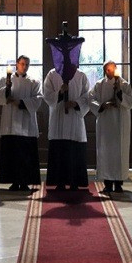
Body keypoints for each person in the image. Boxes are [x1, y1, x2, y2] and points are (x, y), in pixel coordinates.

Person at [0, 55, 42, 191]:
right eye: (22, 64)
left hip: (26, 124)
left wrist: (20, 102)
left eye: (27, 64)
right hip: (10, 123)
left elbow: (38, 99)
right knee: (12, 154)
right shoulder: (5, 80)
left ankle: (25, 181)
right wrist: (7, 90)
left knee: (26, 154)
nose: (24, 67)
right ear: (17, 64)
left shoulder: (34, 81)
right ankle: (14, 181)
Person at [43, 62, 90, 191]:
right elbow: (47, 94)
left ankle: (75, 182)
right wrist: (60, 92)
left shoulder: (81, 75)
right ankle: (60, 182)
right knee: (59, 151)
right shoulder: (52, 74)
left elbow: (87, 96)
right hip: (58, 118)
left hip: (74, 119)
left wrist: (76, 103)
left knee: (74, 152)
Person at [90, 61, 132, 193]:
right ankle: (108, 183)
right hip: (106, 123)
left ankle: (119, 183)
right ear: (105, 71)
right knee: (106, 152)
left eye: (112, 69)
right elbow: (91, 99)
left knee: (119, 152)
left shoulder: (124, 85)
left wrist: (120, 95)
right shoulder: (99, 85)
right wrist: (102, 105)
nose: (110, 72)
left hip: (120, 123)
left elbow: (131, 102)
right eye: (107, 70)